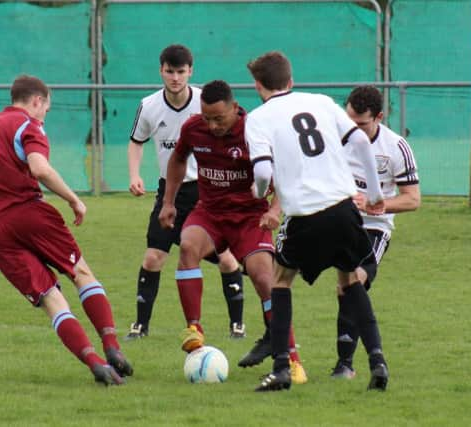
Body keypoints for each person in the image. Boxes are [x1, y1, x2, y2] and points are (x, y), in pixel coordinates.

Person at [0, 74, 132, 386]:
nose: (44, 116)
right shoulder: (28, 126)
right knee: (81, 274)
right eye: (46, 109)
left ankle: (95, 363)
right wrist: (74, 199)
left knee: (50, 299)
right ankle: (112, 346)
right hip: (29, 213)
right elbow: (39, 168)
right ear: (37, 101)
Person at [245, 51, 388, 392]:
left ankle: (281, 369)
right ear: (291, 81)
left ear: (258, 86)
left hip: (305, 214)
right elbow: (360, 142)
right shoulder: (322, 102)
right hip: (343, 208)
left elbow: (264, 170)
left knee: (280, 281)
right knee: (351, 279)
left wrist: (259, 192)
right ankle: (378, 362)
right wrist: (376, 194)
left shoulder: (258, 118)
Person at [158, 79, 307, 385]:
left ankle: (292, 360)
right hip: (210, 213)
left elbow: (283, 173)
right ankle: (194, 328)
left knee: (266, 279)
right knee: (187, 247)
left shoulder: (256, 131)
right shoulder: (193, 129)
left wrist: (275, 209)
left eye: (219, 118)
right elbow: (177, 160)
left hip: (249, 218)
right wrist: (168, 202)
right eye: (207, 117)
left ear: (235, 109)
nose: (212, 125)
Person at [126, 44, 246, 340]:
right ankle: (140, 327)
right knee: (153, 257)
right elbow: (136, 141)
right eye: (170, 71)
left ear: (190, 71)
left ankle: (237, 326)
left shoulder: (205, 104)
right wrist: (134, 174)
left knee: (227, 258)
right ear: (161, 71)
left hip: (207, 192)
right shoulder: (149, 105)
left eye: (181, 72)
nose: (175, 78)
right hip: (170, 192)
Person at [330, 85, 420, 379]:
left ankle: (346, 364)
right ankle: (284, 352)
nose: (352, 130)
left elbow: (412, 199)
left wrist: (375, 206)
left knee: (353, 280)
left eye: (361, 125)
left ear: (379, 117)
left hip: (374, 229)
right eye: (349, 121)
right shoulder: (335, 139)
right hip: (338, 221)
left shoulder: (395, 147)